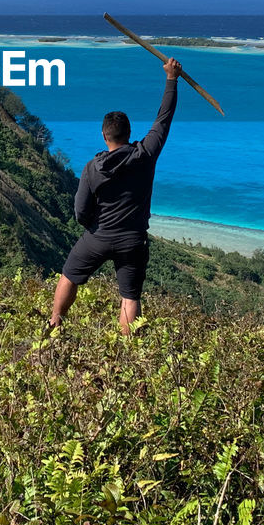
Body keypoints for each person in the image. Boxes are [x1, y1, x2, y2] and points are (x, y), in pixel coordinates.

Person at [49, 56, 182, 334]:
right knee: (130, 296)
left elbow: (80, 210)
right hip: (133, 239)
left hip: (99, 236)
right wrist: (171, 80)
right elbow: (163, 121)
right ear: (130, 133)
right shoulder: (145, 155)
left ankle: (54, 324)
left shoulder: (91, 168)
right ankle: (127, 351)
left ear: (104, 135)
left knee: (69, 276)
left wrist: (94, 229)